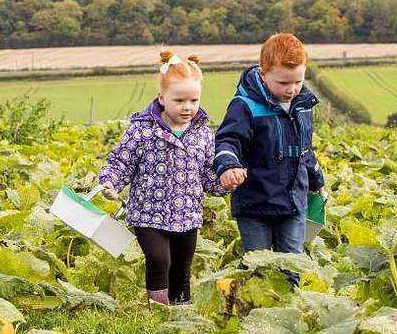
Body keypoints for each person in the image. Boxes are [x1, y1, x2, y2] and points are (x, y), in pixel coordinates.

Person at [99, 51, 225, 305]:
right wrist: (111, 180)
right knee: (159, 260)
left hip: (187, 213)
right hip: (148, 212)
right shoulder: (143, 130)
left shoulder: (203, 135)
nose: (187, 107)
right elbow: (122, 161)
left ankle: (181, 312)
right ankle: (158, 308)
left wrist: (225, 182)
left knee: (181, 266)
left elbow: (207, 176)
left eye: (193, 100)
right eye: (179, 100)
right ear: (162, 98)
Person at [213, 33, 325, 286]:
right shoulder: (245, 106)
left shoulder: (302, 105)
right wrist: (228, 166)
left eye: (298, 81)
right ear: (263, 75)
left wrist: (317, 179)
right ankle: (254, 315)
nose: (292, 89)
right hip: (255, 203)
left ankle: (289, 312)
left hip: (294, 201)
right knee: (258, 268)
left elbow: (305, 148)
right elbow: (227, 140)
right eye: (283, 82)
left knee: (291, 265)